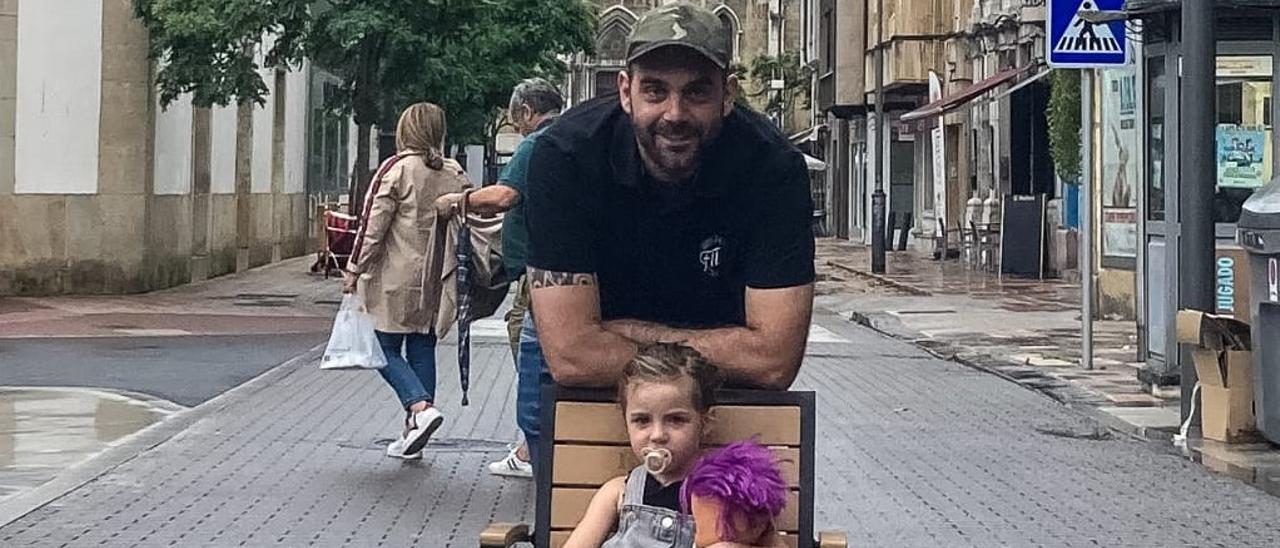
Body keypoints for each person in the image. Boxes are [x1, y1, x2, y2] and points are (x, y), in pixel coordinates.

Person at [522, 2, 816, 467]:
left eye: (697, 92)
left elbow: (773, 362)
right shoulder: (564, 159)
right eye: (655, 90)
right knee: (574, 513)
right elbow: (573, 356)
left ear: (728, 94)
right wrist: (727, 345)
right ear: (625, 91)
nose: (674, 113)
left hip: (712, 396)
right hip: (602, 383)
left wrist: (631, 333)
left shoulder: (772, 170)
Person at [441, 78, 564, 478]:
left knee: (527, 344)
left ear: (527, 112)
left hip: (538, 271)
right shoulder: (565, 136)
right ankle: (532, 443)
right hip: (551, 266)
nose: (516, 126)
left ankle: (535, 443)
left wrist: (458, 201)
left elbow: (504, 196)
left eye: (515, 118)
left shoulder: (534, 143)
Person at [343, 102, 470, 460]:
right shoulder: (454, 172)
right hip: (437, 276)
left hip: (395, 276)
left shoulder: (396, 170)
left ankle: (419, 408)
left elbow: (373, 226)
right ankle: (413, 432)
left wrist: (354, 268)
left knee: (380, 346)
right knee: (421, 346)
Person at [564, 343, 783, 548]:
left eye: (676, 420)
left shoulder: (726, 492)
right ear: (626, 423)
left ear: (705, 422)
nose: (658, 435)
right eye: (642, 420)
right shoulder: (618, 491)